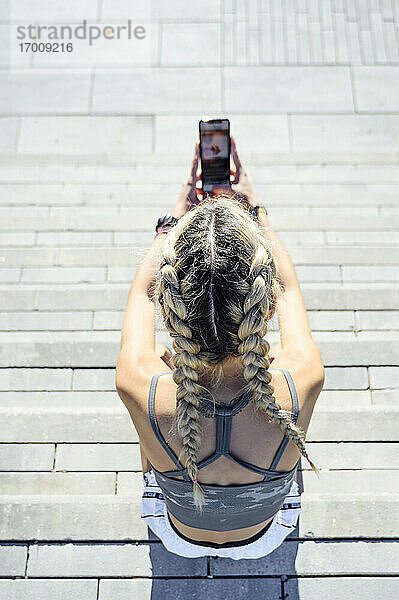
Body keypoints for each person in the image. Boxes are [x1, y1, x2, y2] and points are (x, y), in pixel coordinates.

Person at [116, 135, 325, 559]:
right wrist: (256, 211)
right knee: (278, 380)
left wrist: (174, 218)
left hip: (178, 534)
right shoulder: (304, 377)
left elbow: (141, 293)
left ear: (171, 303)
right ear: (260, 306)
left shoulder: (136, 380)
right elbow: (288, 289)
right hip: (266, 535)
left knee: (154, 372)